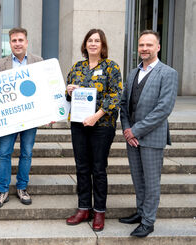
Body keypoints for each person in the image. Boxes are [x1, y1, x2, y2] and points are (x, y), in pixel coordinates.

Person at [119, 30, 178, 237]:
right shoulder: (132, 73)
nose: (144, 48)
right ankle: (141, 212)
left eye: (149, 45)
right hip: (132, 138)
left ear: (158, 47)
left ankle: (148, 221)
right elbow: (124, 104)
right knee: (138, 178)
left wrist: (134, 130)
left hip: (152, 137)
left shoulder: (168, 73)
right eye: (142, 45)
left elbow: (163, 109)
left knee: (151, 182)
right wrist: (127, 130)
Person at [0, 27, 43, 209]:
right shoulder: (1, 63)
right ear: (10, 43)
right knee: (4, 154)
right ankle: (3, 190)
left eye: (20, 40)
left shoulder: (38, 61)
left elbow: (44, 89)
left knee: (27, 153)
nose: (17, 43)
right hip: (8, 119)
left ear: (26, 42)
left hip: (31, 117)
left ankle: (22, 187)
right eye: (14, 41)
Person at [65, 29, 122, 232]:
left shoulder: (111, 67)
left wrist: (96, 116)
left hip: (102, 126)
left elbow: (115, 96)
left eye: (97, 40)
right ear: (85, 44)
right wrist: (69, 91)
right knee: (81, 167)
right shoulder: (77, 67)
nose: (93, 44)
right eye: (90, 40)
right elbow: (67, 96)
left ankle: (99, 211)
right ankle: (83, 209)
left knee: (98, 168)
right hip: (79, 125)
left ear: (102, 45)